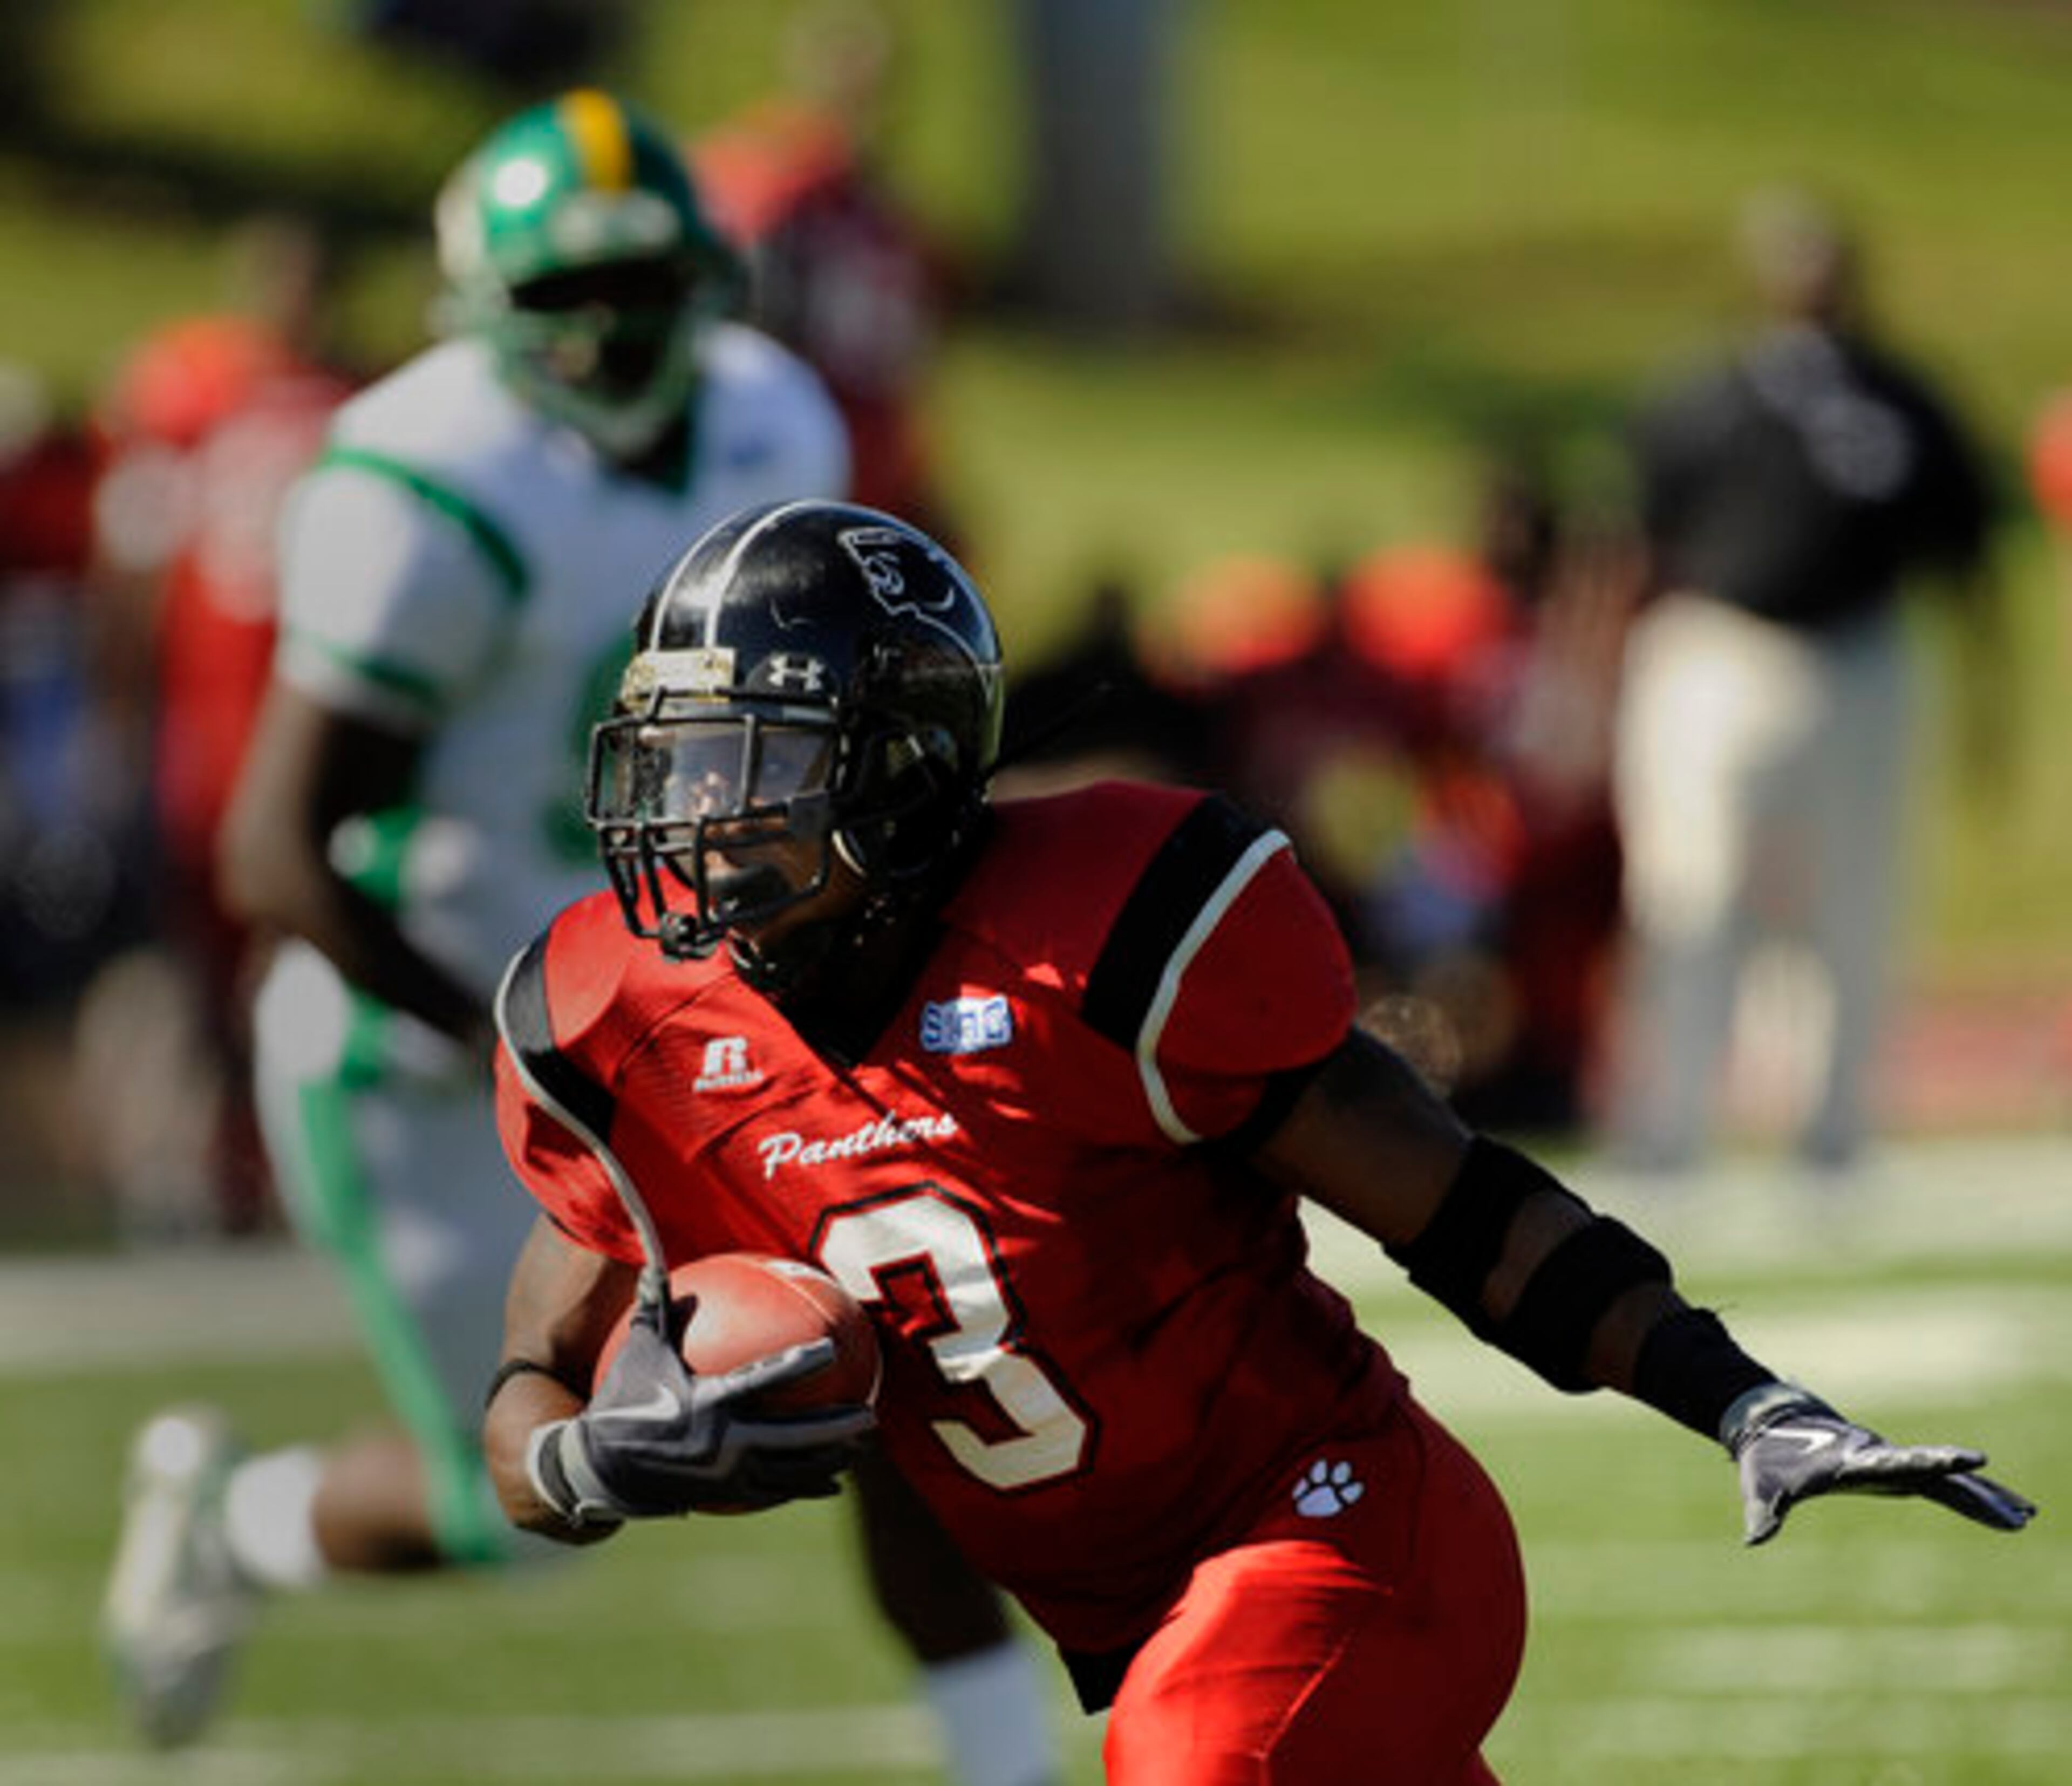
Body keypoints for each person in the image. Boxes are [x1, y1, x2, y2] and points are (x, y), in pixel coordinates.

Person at [479, 498, 2032, 1784]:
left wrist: (1738, 1393)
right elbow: (527, 1382)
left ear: (898, 766)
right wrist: (584, 1457)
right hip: (1147, 1615)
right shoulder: (619, 1017)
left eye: (756, 762)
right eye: (679, 759)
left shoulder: (1099, 942)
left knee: (1199, 1755)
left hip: (1340, 1523)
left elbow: (1459, 1207)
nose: (701, 814)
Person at [101, 96, 1057, 1786]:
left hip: (692, 986)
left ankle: (1011, 1763)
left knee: (886, 1339)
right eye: (566, 293)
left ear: (711, 282)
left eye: (642, 281)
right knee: (529, 1497)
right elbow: (277, 847)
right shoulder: (417, 482)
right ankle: (241, 1519)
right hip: (438, 1042)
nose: (611, 327)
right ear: (478, 306)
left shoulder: (770, 411)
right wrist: (528, 1045)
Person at [1607, 187, 2001, 1175]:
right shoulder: (1707, 396)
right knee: (1692, 889)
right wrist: (1587, 684)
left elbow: (1970, 560)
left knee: (1853, 903)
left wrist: (1990, 709)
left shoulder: (1905, 402)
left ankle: (1834, 1131)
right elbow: (1627, 542)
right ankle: (1671, 1122)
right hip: (1721, 653)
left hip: (1862, 658)